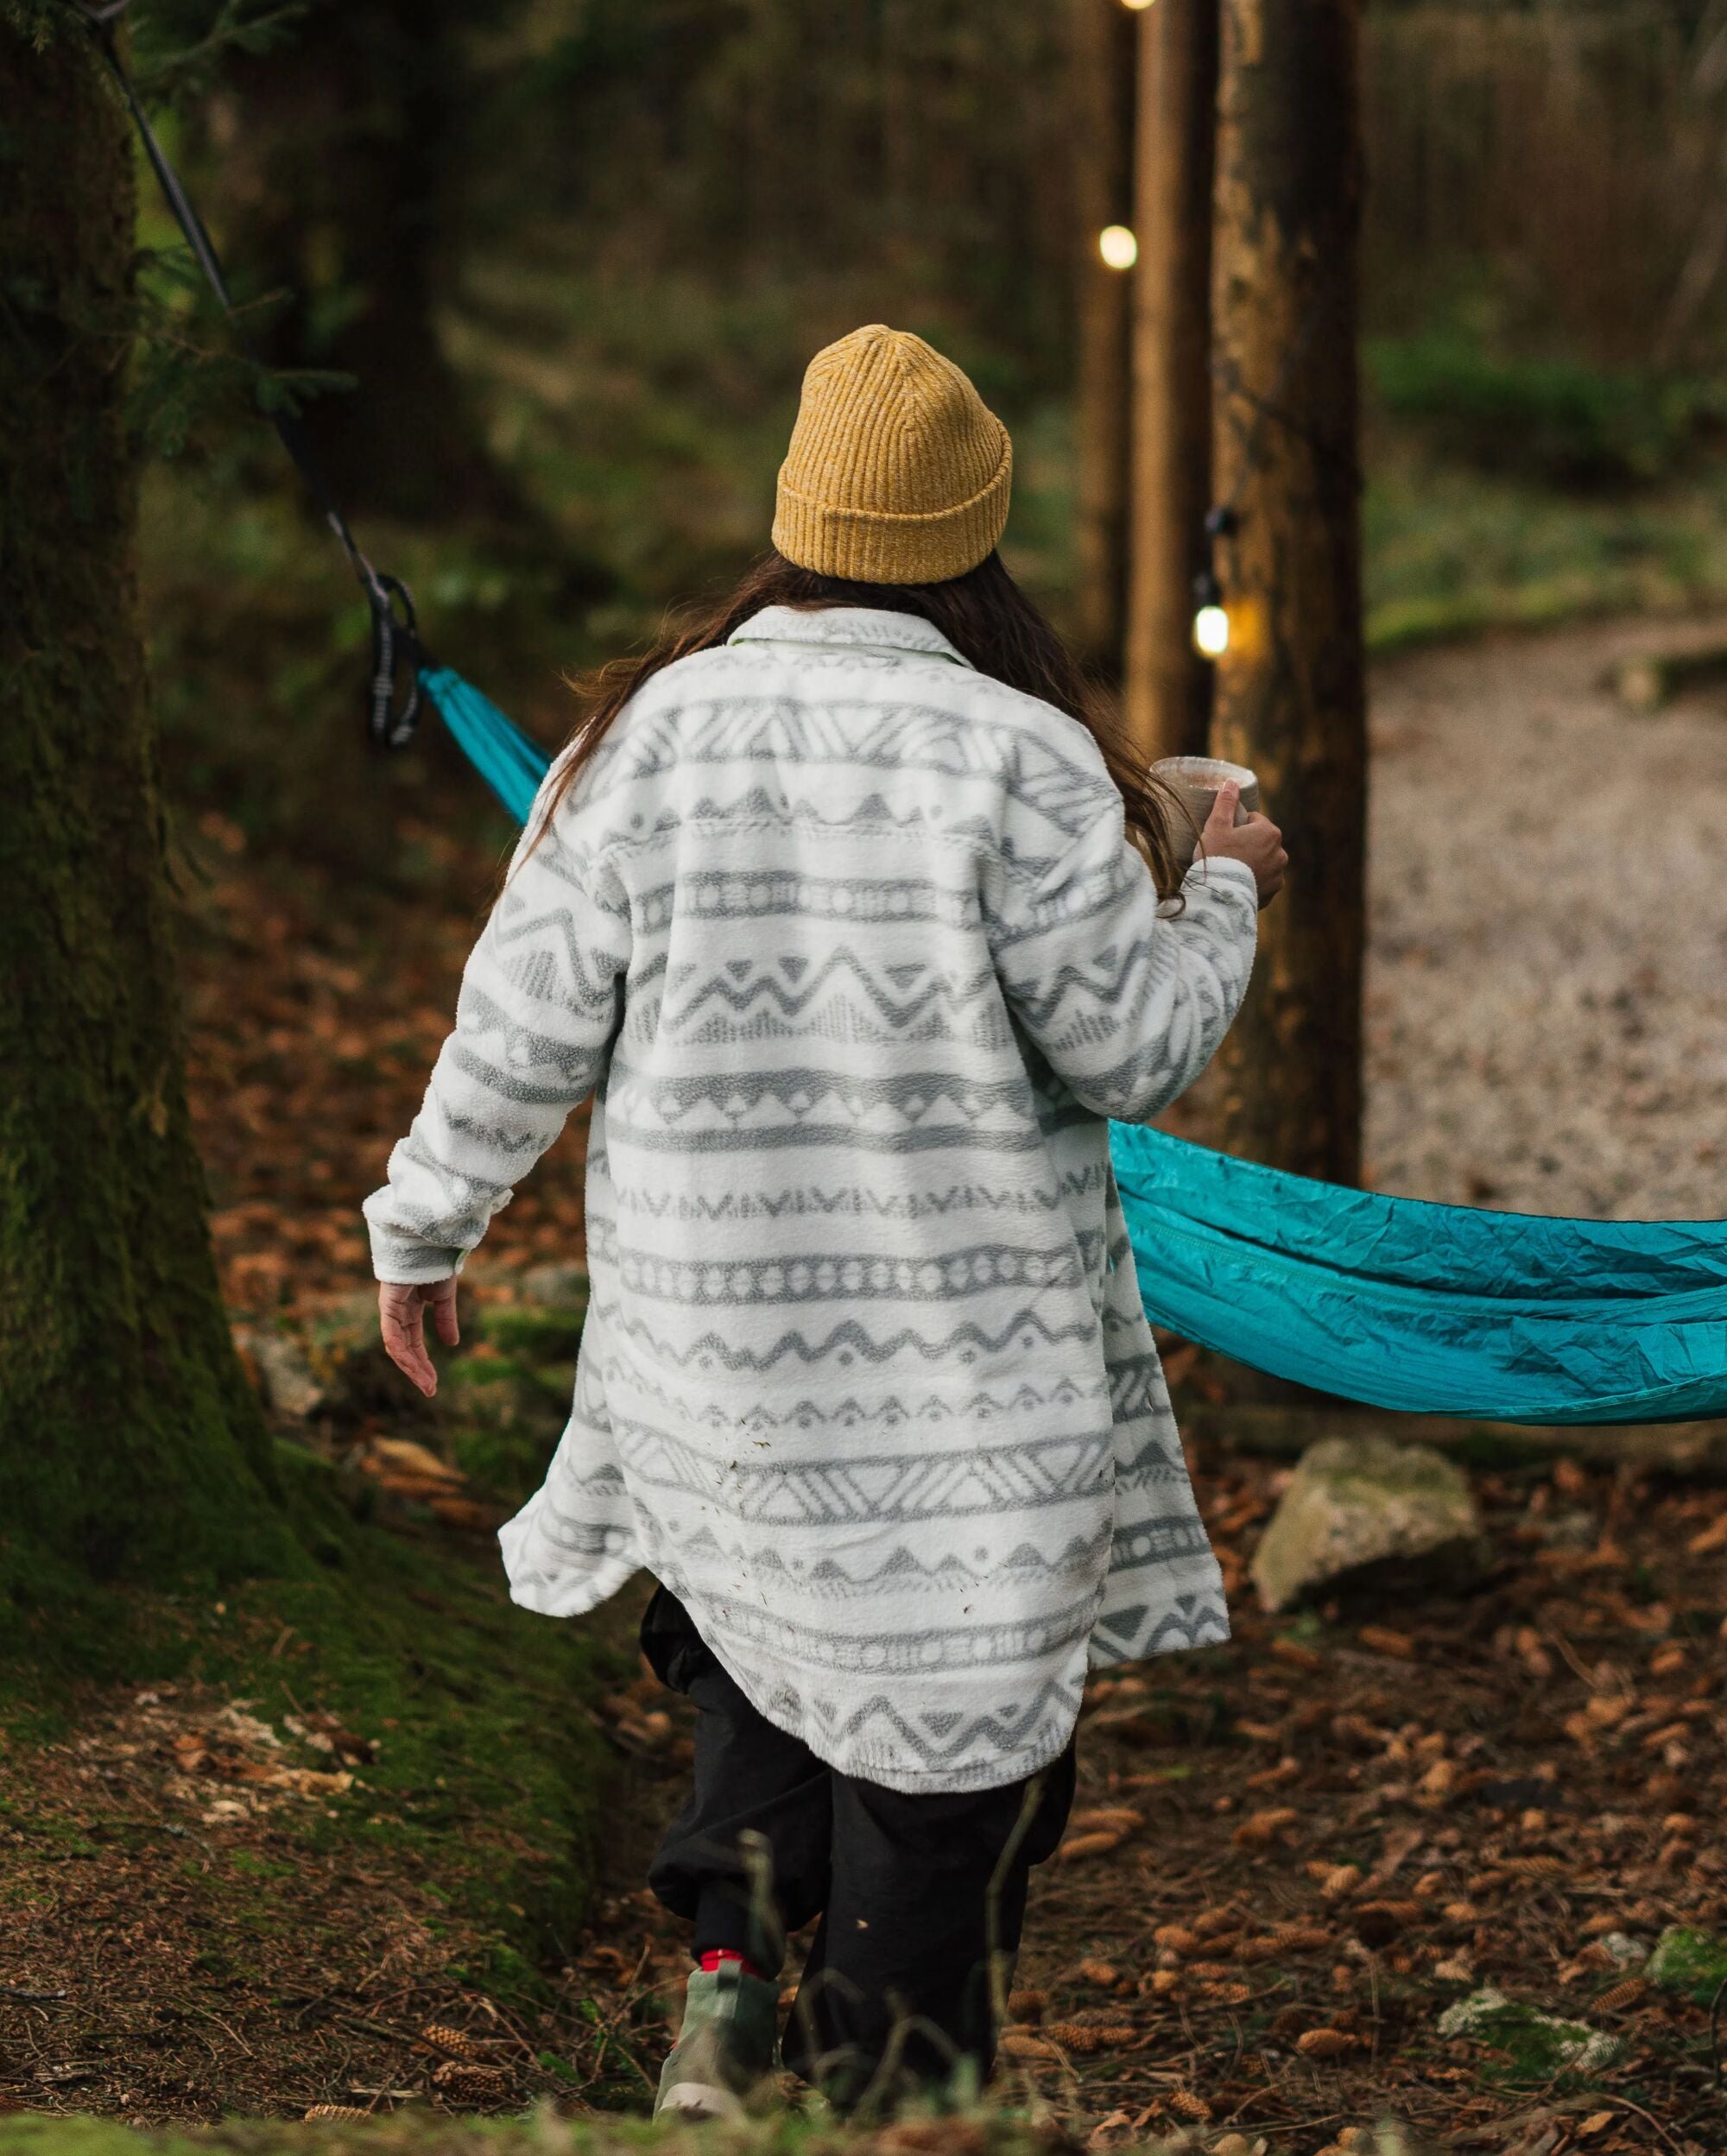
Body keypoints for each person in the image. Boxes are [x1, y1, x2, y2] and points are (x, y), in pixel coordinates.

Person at [364, 325, 1286, 2119]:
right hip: (959, 1385)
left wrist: (425, 1226)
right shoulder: (1025, 759)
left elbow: (518, 1022)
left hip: (710, 1359)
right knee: (949, 1755)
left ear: (793, 516)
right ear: (975, 534)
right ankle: (886, 2089)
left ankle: (723, 1996)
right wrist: (1222, 886)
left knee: (758, 1644)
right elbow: (1135, 1044)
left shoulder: (639, 741)